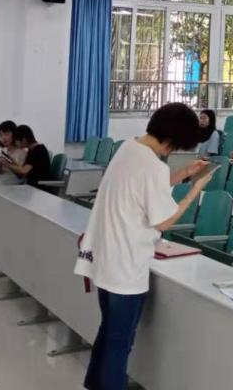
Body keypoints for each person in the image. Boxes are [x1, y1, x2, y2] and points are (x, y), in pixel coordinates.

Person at [75, 103, 215, 390]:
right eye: (176, 147)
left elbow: (144, 189)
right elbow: (164, 221)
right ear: (171, 139)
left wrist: (183, 173)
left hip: (106, 261)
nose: (172, 152)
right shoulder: (153, 166)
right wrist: (194, 190)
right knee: (120, 344)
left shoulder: (129, 148)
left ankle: (94, 384)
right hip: (126, 267)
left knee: (108, 332)